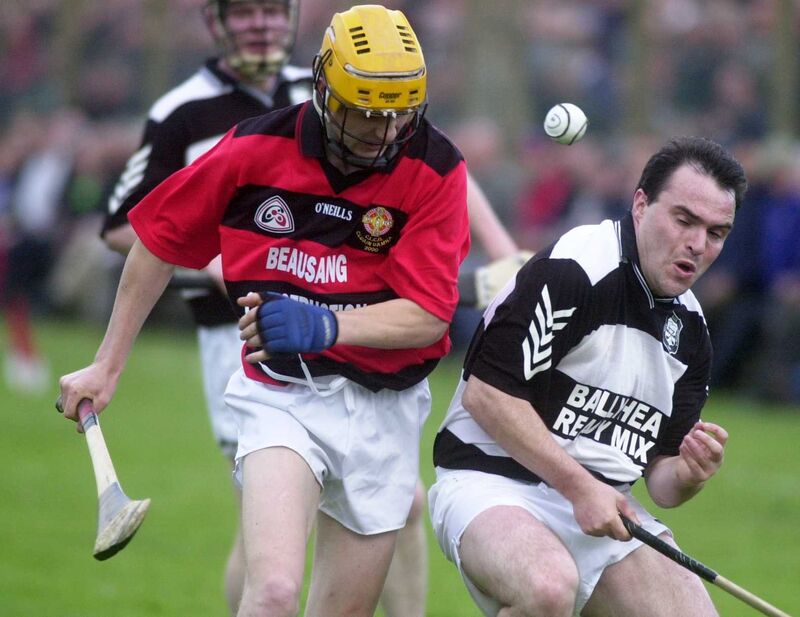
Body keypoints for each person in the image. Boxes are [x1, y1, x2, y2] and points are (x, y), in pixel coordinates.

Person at [58, 6, 470, 617]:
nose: (383, 135)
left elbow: (429, 315)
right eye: (365, 115)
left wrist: (325, 324)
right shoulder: (257, 146)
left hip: (386, 407)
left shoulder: (435, 168)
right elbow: (157, 239)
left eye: (398, 116)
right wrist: (106, 366)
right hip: (283, 392)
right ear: (326, 91)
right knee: (274, 591)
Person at [428, 136, 748, 617]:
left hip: (603, 508)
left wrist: (688, 472)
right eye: (684, 220)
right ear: (641, 204)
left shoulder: (693, 332)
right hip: (490, 482)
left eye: (716, 232)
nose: (698, 245)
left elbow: (661, 481)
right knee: (548, 588)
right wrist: (579, 488)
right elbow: (487, 396)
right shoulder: (577, 268)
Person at [100, 2, 310, 612]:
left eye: (274, 11)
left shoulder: (318, 92)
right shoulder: (180, 112)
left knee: (395, 507)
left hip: (326, 328)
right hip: (233, 338)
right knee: (268, 524)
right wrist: (212, 262)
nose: (262, 25)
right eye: (244, 13)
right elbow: (121, 226)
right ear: (215, 24)